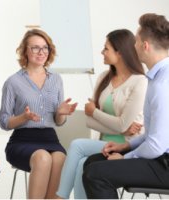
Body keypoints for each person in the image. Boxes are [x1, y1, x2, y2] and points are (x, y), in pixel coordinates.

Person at [83, 13, 169, 199]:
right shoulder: (156, 79)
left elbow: (156, 145)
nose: (133, 46)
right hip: (159, 155)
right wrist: (124, 147)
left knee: (96, 174)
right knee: (92, 162)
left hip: (164, 163)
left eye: (136, 42)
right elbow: (152, 134)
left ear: (145, 46)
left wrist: (125, 157)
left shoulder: (163, 84)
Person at [56, 29, 147, 199]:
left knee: (77, 145)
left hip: (126, 149)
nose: (102, 52)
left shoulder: (139, 81)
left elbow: (113, 121)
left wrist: (95, 112)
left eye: (106, 48)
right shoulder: (104, 78)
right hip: (104, 145)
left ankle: (60, 197)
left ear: (119, 52)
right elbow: (90, 121)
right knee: (83, 163)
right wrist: (120, 128)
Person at [0, 29, 78, 199]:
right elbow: (4, 122)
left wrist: (60, 113)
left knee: (60, 159)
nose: (41, 52)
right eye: (35, 48)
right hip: (22, 140)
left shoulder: (56, 79)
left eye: (45, 48)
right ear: (25, 51)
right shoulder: (13, 82)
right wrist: (24, 117)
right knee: (43, 158)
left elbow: (59, 122)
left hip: (50, 138)